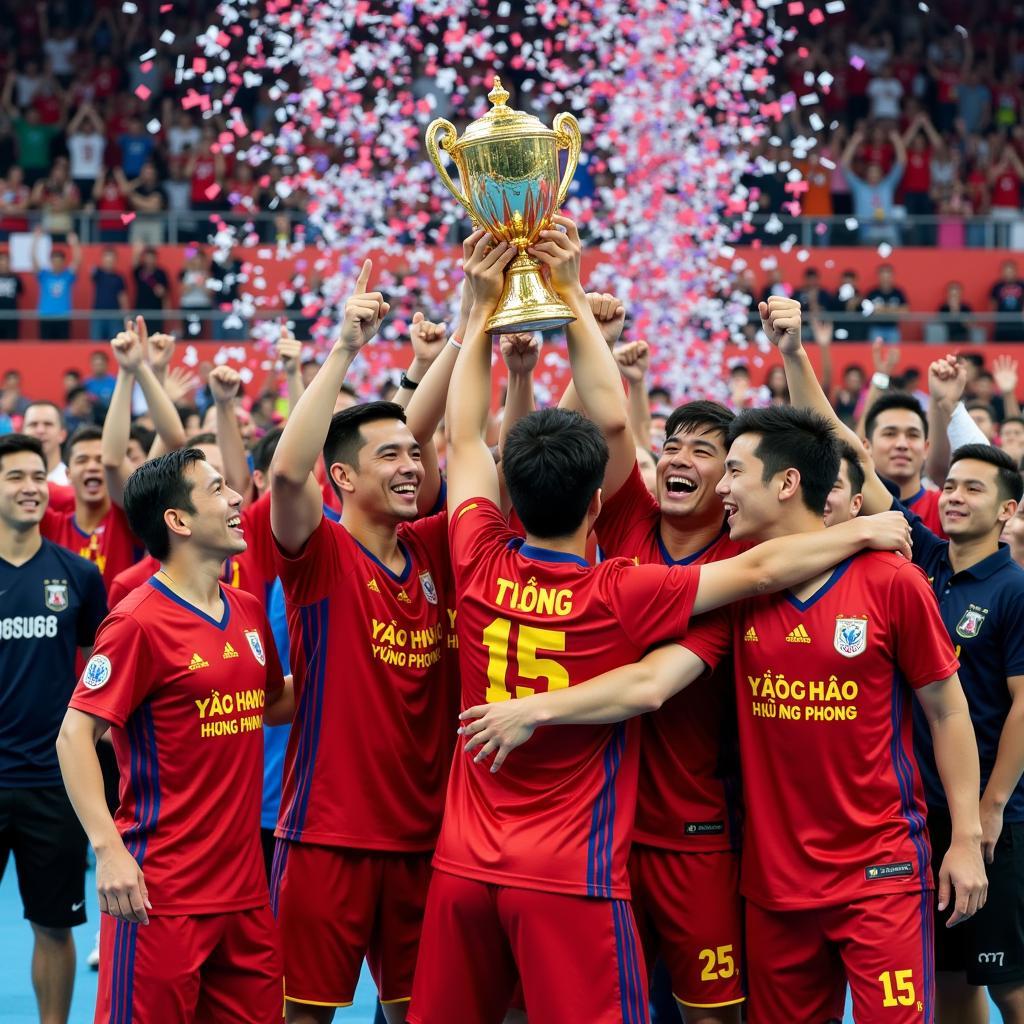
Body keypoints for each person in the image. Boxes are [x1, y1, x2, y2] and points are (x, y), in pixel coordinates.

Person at [407, 223, 915, 1024]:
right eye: (669, 444)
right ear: (604, 502)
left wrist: (478, 309)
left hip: (482, 858)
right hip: (576, 864)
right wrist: (860, 529)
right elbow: (730, 587)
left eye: (716, 455)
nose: (677, 458)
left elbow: (462, 436)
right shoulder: (630, 587)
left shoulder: (476, 554)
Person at [460, 399, 986, 1024]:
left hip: (881, 870)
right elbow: (652, 681)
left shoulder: (891, 581)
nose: (722, 488)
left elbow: (948, 713)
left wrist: (968, 839)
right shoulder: (731, 596)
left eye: (734, 471)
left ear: (787, 483)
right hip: (771, 882)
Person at [268, 257, 457, 1024]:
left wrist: (470, 320)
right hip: (327, 835)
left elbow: (457, 435)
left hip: (428, 838)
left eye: (415, 454)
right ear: (341, 479)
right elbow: (285, 476)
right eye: (391, 455)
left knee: (424, 1013)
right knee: (304, 1015)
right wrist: (344, 348)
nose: (411, 465)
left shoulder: (440, 548)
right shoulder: (321, 556)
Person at [56, 447, 291, 1022]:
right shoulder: (136, 621)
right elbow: (73, 736)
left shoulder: (245, 610)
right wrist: (109, 850)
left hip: (245, 894)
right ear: (178, 521)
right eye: (217, 490)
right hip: (161, 894)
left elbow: (270, 704)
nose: (237, 498)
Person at [0, 433, 107, 1024]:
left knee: (55, 924)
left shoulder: (78, 577)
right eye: (15, 477)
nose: (30, 488)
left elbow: (98, 674)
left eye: (38, 477)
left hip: (52, 782)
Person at [864, 392, 945, 536]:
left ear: (926, 448)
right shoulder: (850, 508)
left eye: (913, 435)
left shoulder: (945, 507)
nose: (902, 444)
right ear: (866, 447)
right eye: (890, 434)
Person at [31, 230, 80, 341]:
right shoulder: (44, 275)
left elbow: (77, 261)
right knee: (45, 349)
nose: (57, 264)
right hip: (45, 316)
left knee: (63, 349)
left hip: (63, 317)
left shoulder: (67, 276)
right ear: (51, 262)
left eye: (59, 261)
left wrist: (75, 244)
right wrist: (35, 240)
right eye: (54, 261)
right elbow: (33, 260)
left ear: (63, 262)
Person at [22, 401, 68, 485]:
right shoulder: (8, 484)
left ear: (62, 434)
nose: (40, 430)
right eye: (33, 424)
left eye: (48, 424)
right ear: (22, 433)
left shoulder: (72, 483)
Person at [90, 248, 128, 342]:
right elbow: (92, 271)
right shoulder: (98, 273)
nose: (109, 262)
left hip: (115, 315)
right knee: (95, 343)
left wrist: (126, 315)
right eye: (106, 259)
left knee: (116, 343)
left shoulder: (119, 277)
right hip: (98, 315)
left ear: (115, 261)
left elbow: (122, 296)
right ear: (103, 260)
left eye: (111, 260)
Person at [866, 263, 909, 344]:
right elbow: (869, 312)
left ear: (892, 277)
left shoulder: (898, 292)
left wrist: (882, 309)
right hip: (876, 328)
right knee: (874, 352)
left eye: (888, 276)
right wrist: (893, 310)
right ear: (878, 276)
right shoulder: (872, 293)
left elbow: (905, 310)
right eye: (883, 276)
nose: (885, 279)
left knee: (893, 352)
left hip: (893, 329)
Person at [990, 259, 1024, 343]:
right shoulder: (997, 286)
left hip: (1019, 323)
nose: (1008, 274)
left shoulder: (1022, 285)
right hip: (1002, 323)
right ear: (1002, 272)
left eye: (1010, 271)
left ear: (1015, 271)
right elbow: (992, 303)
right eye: (1006, 271)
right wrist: (994, 317)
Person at [0, 249, 24, 340]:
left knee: (11, 344)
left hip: (11, 317)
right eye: (1, 260)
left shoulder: (16, 278)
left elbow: (20, 293)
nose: (3, 263)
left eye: (6, 261)